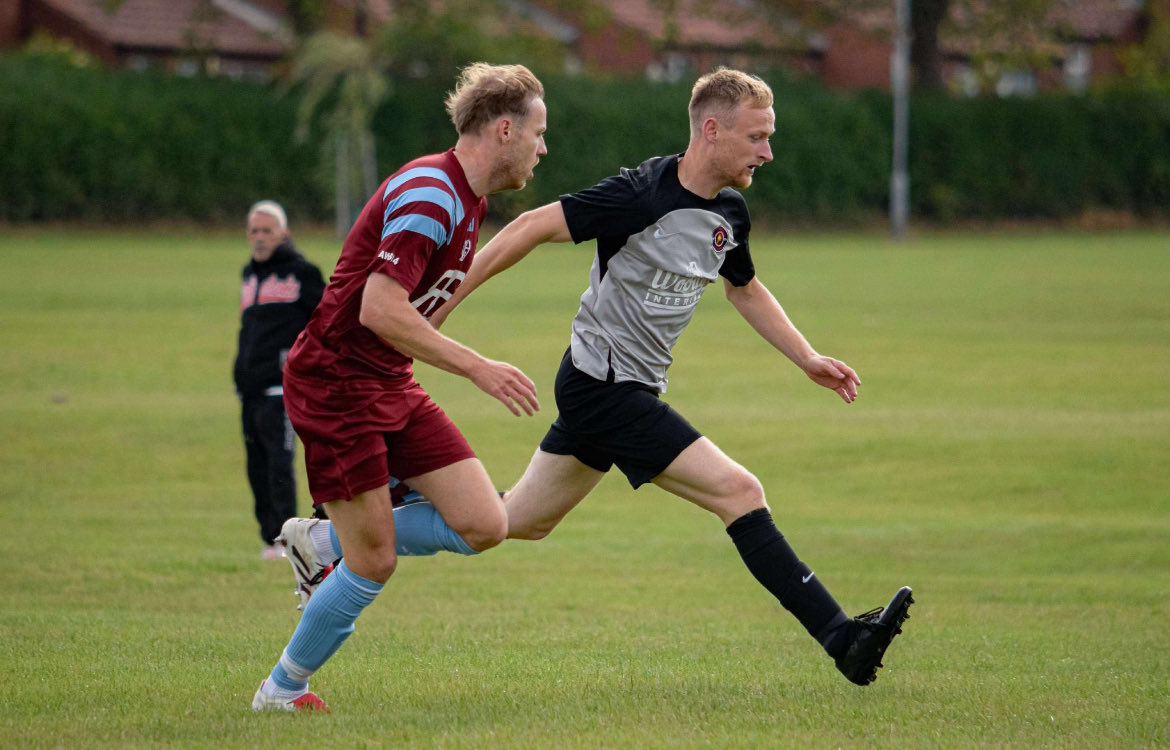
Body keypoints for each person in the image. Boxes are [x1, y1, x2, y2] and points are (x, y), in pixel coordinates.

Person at [281, 68, 913, 688]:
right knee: (739, 492)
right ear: (712, 130)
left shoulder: (729, 213)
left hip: (625, 388)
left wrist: (806, 358)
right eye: (756, 138)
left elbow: (744, 289)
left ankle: (325, 538)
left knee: (515, 521)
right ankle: (842, 639)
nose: (768, 152)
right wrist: (449, 299)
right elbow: (530, 227)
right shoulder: (641, 194)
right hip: (602, 388)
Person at [250, 62, 548, 713]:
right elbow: (379, 310)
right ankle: (281, 690)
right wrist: (477, 366)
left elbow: (415, 309)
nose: (542, 148)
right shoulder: (431, 194)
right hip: (336, 386)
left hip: (386, 380)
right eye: (537, 132)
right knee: (376, 559)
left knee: (485, 521)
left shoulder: (468, 200)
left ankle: (319, 540)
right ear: (504, 129)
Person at [234, 201, 325, 560]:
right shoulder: (250, 274)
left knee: (279, 464)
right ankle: (267, 537)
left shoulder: (303, 273)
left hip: (282, 389)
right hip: (250, 389)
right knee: (255, 465)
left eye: (266, 230)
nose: (259, 238)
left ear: (283, 233)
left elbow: (325, 322)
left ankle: (289, 541)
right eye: (253, 231)